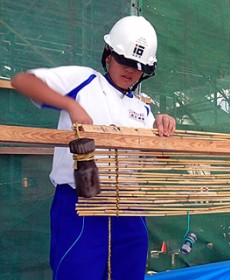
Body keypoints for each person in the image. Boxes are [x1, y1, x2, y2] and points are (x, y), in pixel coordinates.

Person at [11, 16, 176, 280]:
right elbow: (24, 82)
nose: (131, 71)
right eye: (125, 61)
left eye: (140, 66)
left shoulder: (142, 109)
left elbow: (156, 158)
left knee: (130, 274)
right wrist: (71, 105)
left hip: (129, 207)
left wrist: (161, 126)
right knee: (78, 273)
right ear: (108, 54)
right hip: (81, 203)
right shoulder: (84, 82)